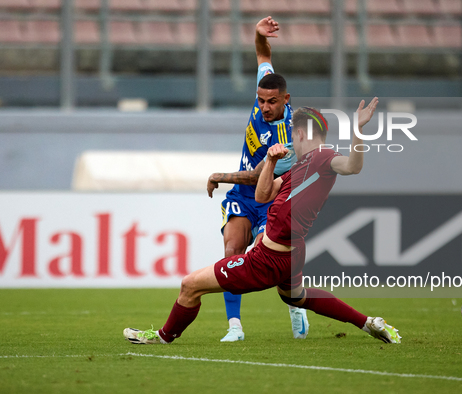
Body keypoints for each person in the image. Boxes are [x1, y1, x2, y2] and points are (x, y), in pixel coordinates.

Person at [123, 98, 402, 346]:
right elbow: (262, 194)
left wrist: (358, 129)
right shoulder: (299, 167)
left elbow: (353, 166)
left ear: (302, 132)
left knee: (190, 285)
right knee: (297, 297)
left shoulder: (324, 157)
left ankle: (163, 336)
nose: (290, 136)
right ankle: (369, 323)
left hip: (268, 259)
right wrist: (269, 160)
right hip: (289, 254)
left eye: (293, 131)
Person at [206, 16, 308, 342]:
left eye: (271, 102)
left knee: (272, 267)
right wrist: (258, 34)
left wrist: (218, 176)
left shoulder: (291, 136)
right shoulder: (265, 89)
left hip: (271, 197)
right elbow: (264, 57)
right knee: (231, 252)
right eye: (261, 100)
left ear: (286, 100)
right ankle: (234, 326)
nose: (264, 107)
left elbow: (257, 177)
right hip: (242, 196)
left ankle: (294, 302)